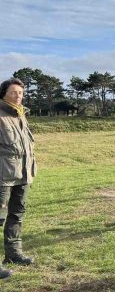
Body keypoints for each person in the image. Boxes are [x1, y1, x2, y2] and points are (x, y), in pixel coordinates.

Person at [0, 78, 37, 280]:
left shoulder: (21, 115)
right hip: (3, 177)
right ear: (4, 93)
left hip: (23, 175)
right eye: (13, 92)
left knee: (17, 215)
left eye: (21, 93)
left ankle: (13, 254)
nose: (18, 96)